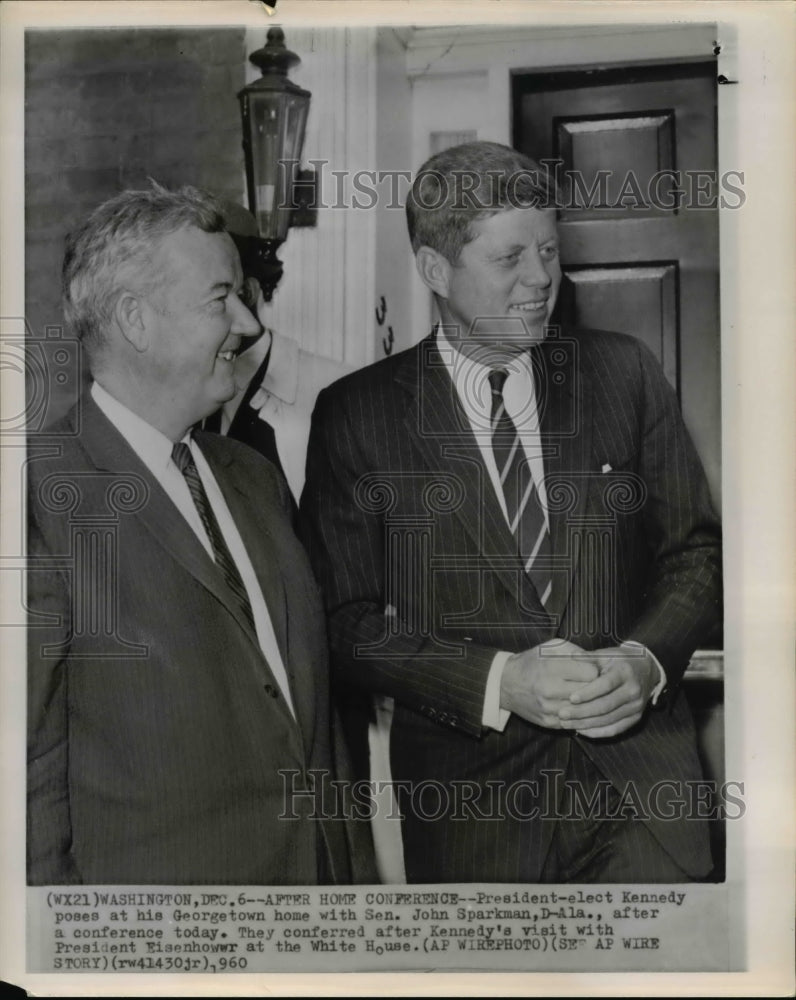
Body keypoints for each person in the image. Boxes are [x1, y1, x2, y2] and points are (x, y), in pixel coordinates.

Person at [300, 141, 723, 884]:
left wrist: (645, 660)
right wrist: (499, 680)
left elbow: (695, 553)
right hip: (475, 817)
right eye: (510, 259)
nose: (542, 280)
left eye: (550, 252)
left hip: (645, 798)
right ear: (436, 271)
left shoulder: (624, 373)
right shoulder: (357, 416)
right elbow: (342, 622)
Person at [27, 183, 353, 885]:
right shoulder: (35, 498)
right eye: (220, 298)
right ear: (134, 320)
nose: (248, 323)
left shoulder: (253, 478)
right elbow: (26, 775)